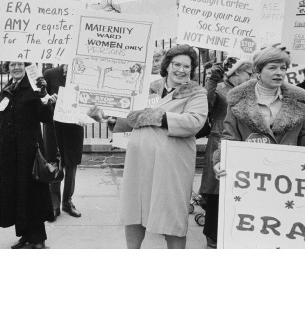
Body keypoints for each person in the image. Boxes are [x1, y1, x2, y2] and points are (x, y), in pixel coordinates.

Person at [89, 44, 208, 249]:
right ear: (167, 66)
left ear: (192, 69)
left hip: (172, 163)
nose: (181, 70)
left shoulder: (197, 94)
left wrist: (158, 116)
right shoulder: (145, 88)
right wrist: (105, 118)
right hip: (139, 159)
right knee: (135, 208)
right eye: (176, 64)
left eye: (186, 66)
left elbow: (194, 122)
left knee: (172, 213)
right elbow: (130, 117)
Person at [214, 47, 305, 180]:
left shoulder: (300, 100)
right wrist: (221, 160)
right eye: (272, 68)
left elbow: (303, 135)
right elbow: (230, 136)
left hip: (288, 174)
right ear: (258, 71)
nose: (279, 73)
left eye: (283, 68)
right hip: (249, 174)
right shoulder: (237, 98)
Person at [0, 61, 54, 249]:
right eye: (12, 65)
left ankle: (39, 237)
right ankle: (25, 234)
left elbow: (46, 117)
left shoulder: (34, 88)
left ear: (26, 66)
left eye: (19, 64)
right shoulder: (7, 88)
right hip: (9, 152)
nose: (16, 68)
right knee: (16, 192)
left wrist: (44, 95)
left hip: (29, 152)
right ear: (7, 68)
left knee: (32, 193)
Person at [199, 57, 253, 248]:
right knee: (216, 188)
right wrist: (212, 81)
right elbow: (206, 105)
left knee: (238, 187)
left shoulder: (249, 90)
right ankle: (212, 232)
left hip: (242, 139)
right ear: (237, 72)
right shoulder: (221, 87)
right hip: (219, 139)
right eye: (249, 73)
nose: (252, 77)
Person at [43, 63, 84, 219]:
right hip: (53, 126)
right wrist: (49, 99)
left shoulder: (84, 74)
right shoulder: (49, 74)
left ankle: (67, 202)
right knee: (53, 163)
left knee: (71, 164)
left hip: (74, 126)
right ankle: (54, 204)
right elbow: (40, 97)